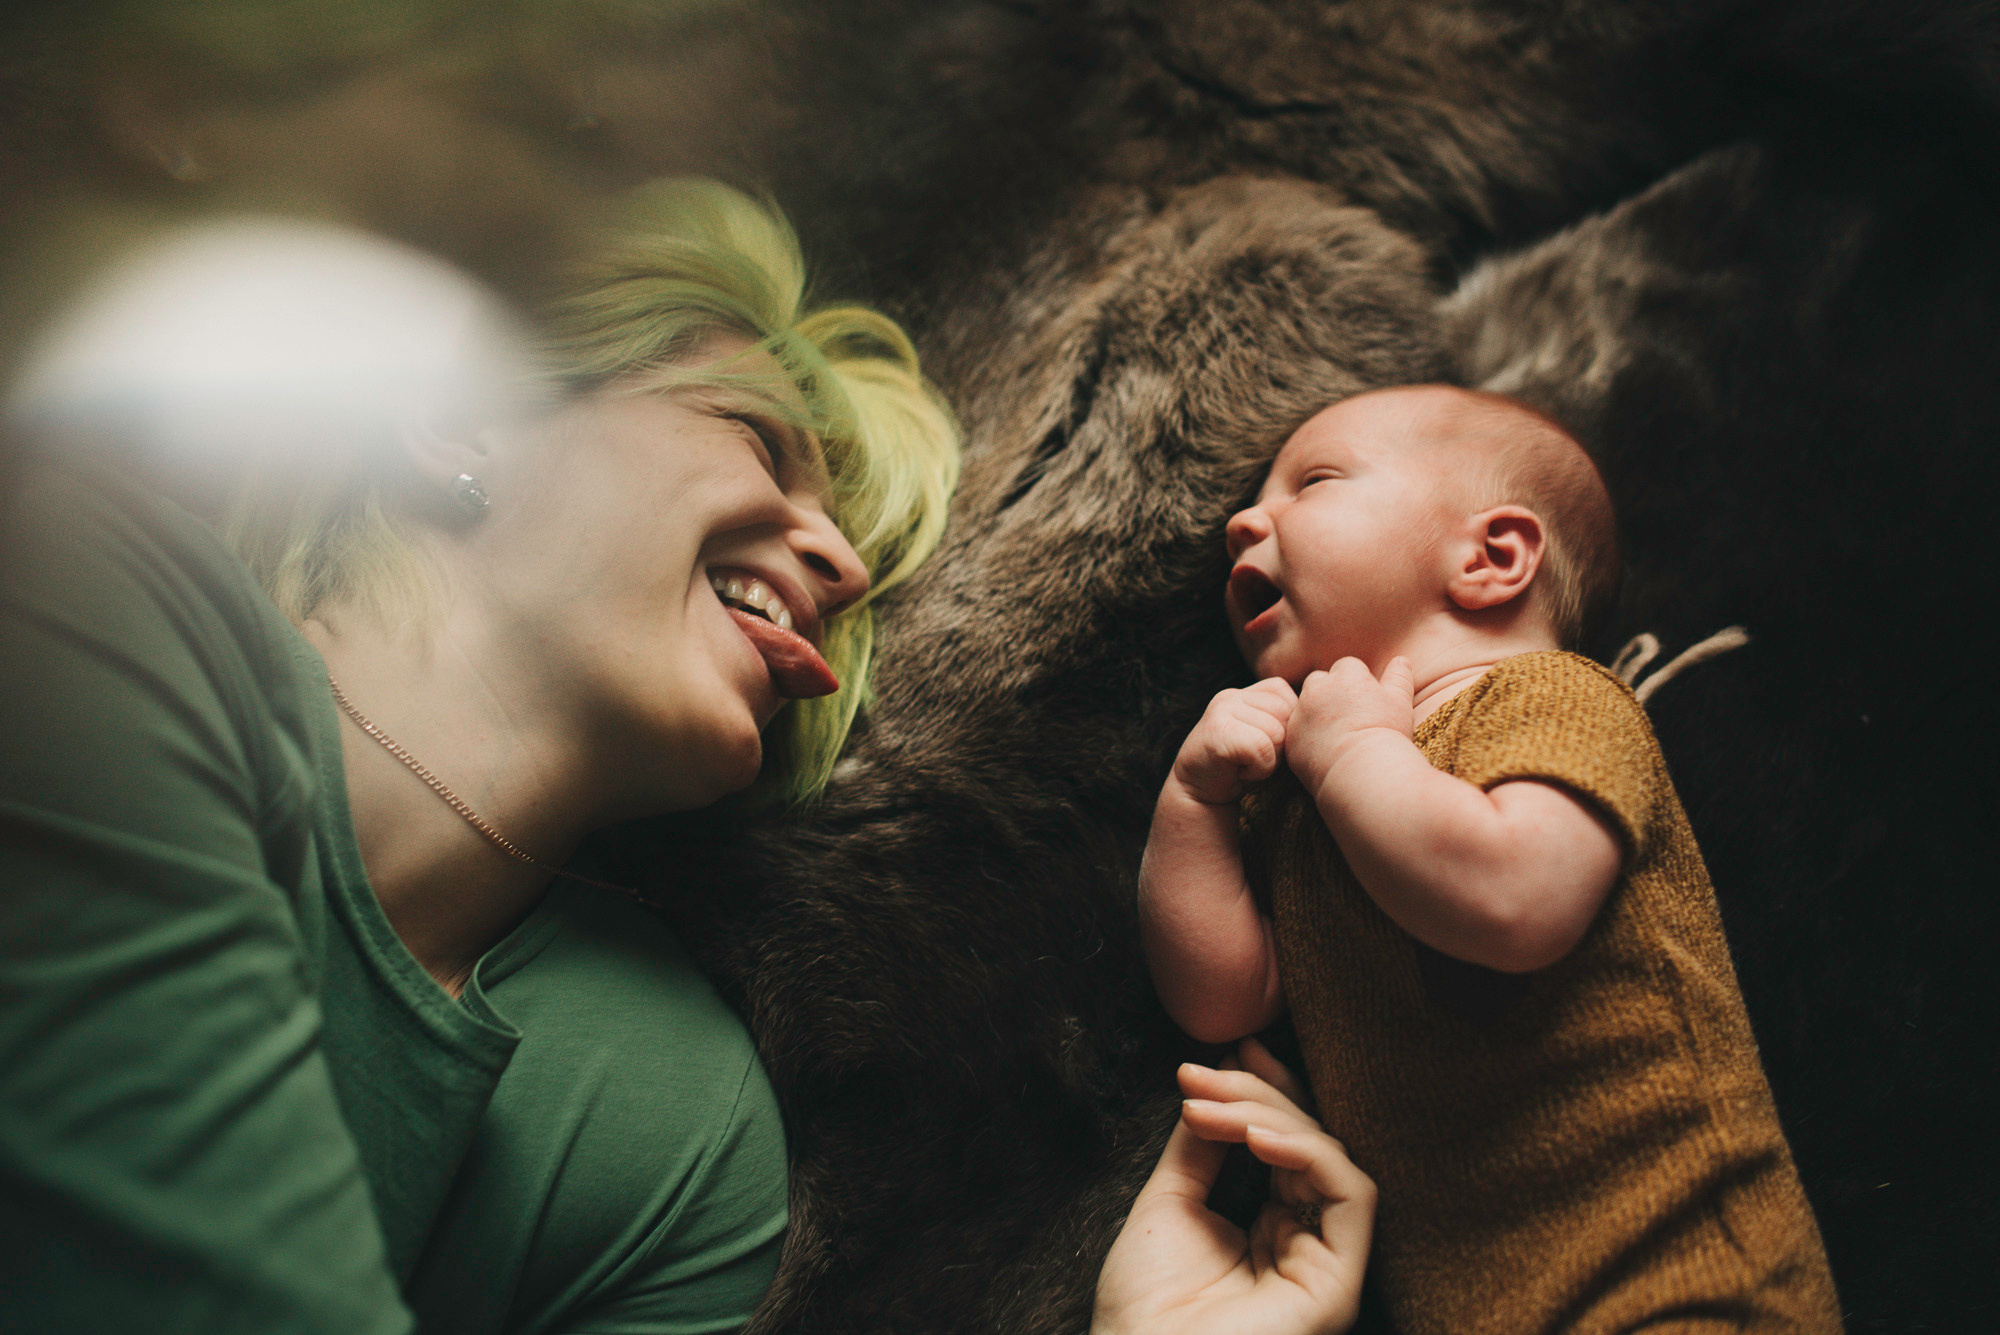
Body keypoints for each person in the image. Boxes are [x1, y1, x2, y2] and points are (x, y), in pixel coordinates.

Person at [1, 180, 1374, 1335]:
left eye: (847, 541)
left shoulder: (679, 1125)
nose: (838, 563)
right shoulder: (95, 605)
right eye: (761, 444)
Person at [1138, 384, 1843, 1333]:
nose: (1241, 522)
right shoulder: (1301, 796)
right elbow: (1227, 997)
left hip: (1681, 1273)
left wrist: (1354, 754)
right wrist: (1195, 802)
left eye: (1314, 482)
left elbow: (1520, 900)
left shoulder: (1555, 698)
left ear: (1490, 557)